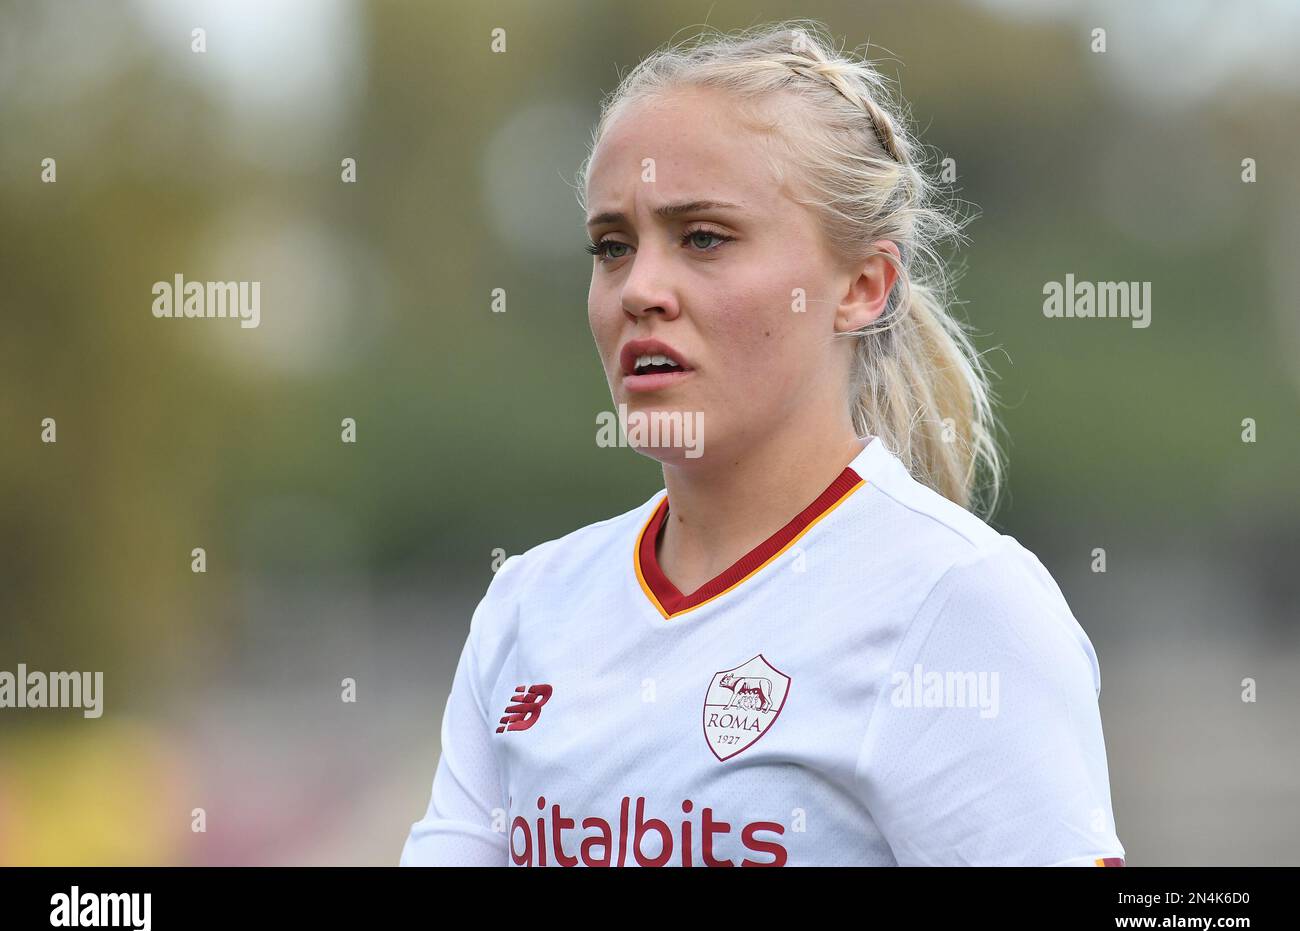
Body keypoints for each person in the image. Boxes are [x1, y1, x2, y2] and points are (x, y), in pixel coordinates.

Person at [400, 19, 1126, 867]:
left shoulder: (959, 602)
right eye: (612, 246)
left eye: (703, 237)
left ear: (861, 288)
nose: (640, 289)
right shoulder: (528, 605)